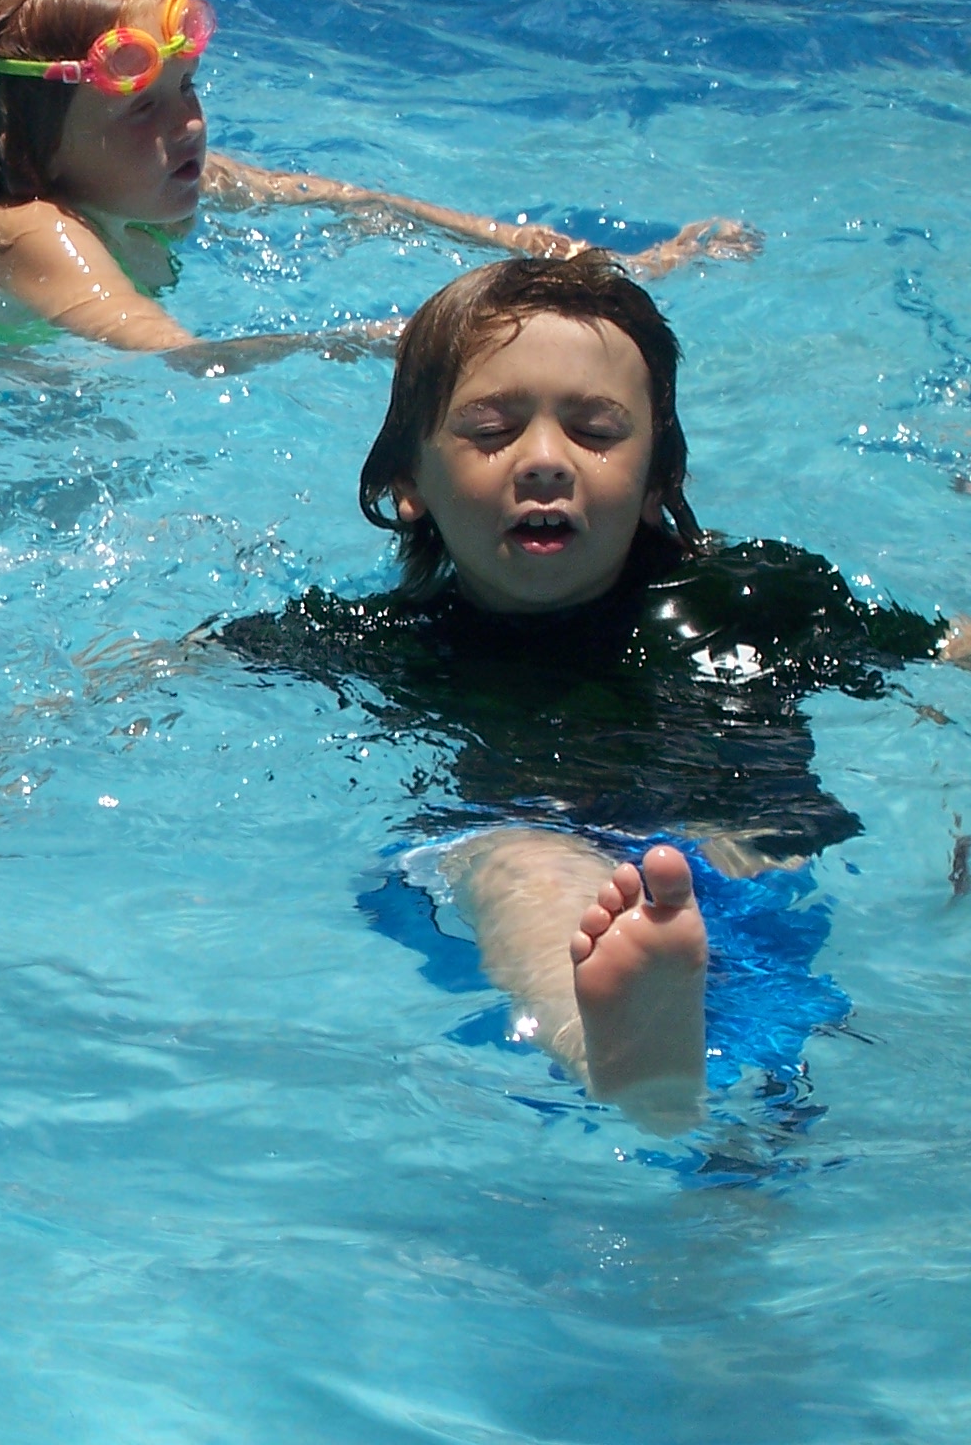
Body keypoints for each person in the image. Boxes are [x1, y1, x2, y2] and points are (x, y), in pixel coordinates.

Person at [191, 254, 963, 1129]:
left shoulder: (752, 602)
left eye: (596, 430)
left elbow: (944, 651)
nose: (546, 461)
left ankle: (659, 1042)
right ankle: (627, 1054)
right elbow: (183, 660)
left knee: (752, 847)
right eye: (492, 430)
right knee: (516, 860)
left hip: (742, 841)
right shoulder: (384, 641)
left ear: (657, 482)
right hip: (546, 848)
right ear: (409, 484)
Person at [0, 0, 757, 364]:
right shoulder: (29, 230)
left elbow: (361, 202)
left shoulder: (149, 178)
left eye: (188, 90)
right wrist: (385, 341)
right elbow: (181, 358)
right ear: (25, 144)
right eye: (142, 109)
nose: (186, 126)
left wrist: (568, 257)